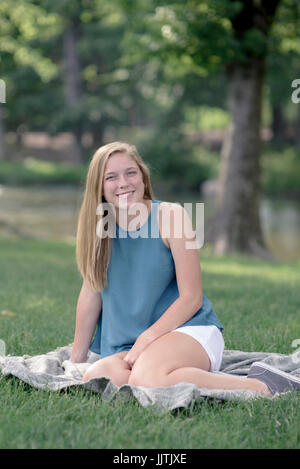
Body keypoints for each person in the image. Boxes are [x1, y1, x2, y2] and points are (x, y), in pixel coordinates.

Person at [70, 141, 300, 397]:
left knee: (148, 378)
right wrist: (76, 360)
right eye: (111, 177)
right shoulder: (100, 229)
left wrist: (148, 338)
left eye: (130, 173)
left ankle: (264, 385)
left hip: (186, 330)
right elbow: (91, 294)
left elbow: (191, 298)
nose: (123, 183)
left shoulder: (171, 216)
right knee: (99, 376)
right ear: (99, 187)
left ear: (143, 177)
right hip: (130, 344)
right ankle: (180, 375)